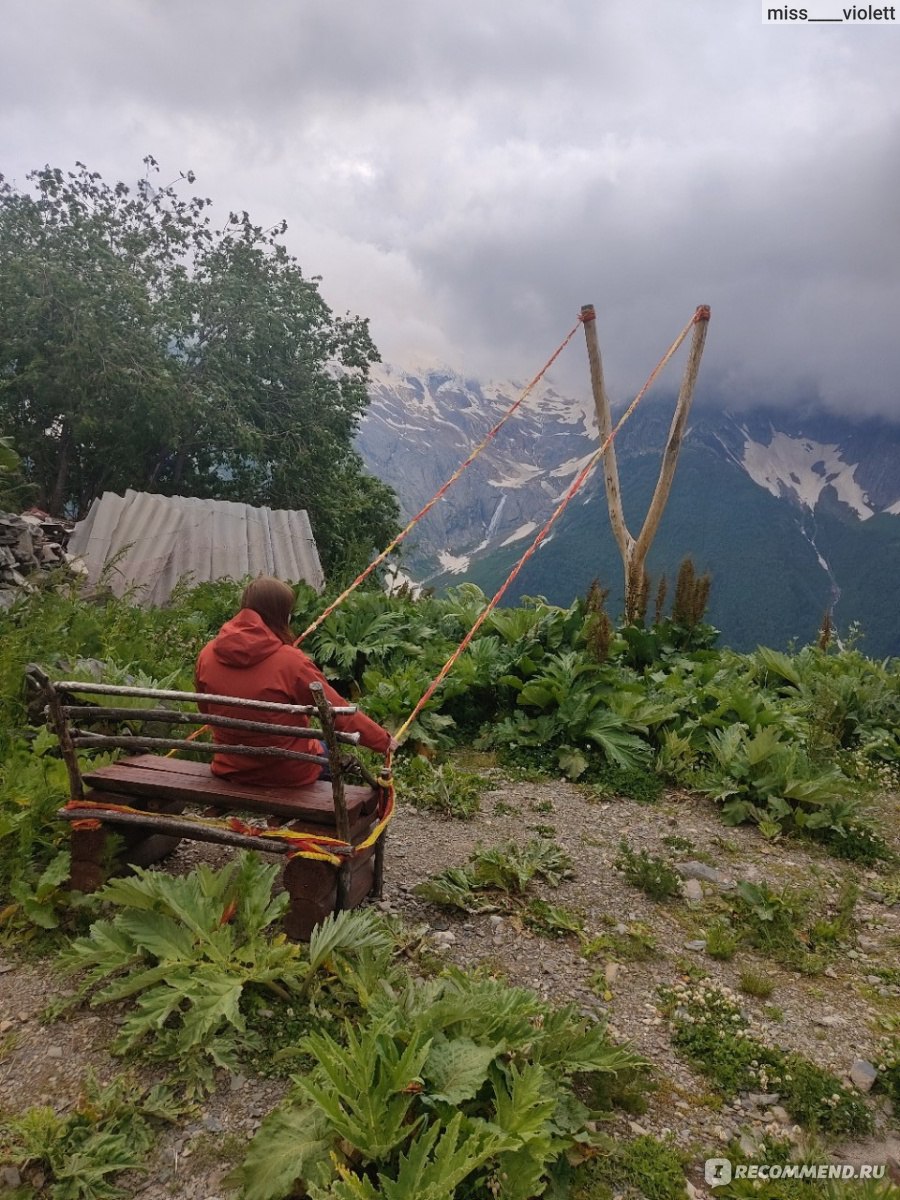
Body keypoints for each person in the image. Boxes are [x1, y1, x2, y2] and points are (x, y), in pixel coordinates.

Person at [195, 576, 397, 787]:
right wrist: (383, 741)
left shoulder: (207, 654)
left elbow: (206, 709)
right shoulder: (291, 662)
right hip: (288, 772)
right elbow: (337, 712)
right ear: (281, 615)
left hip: (230, 767)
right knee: (327, 753)